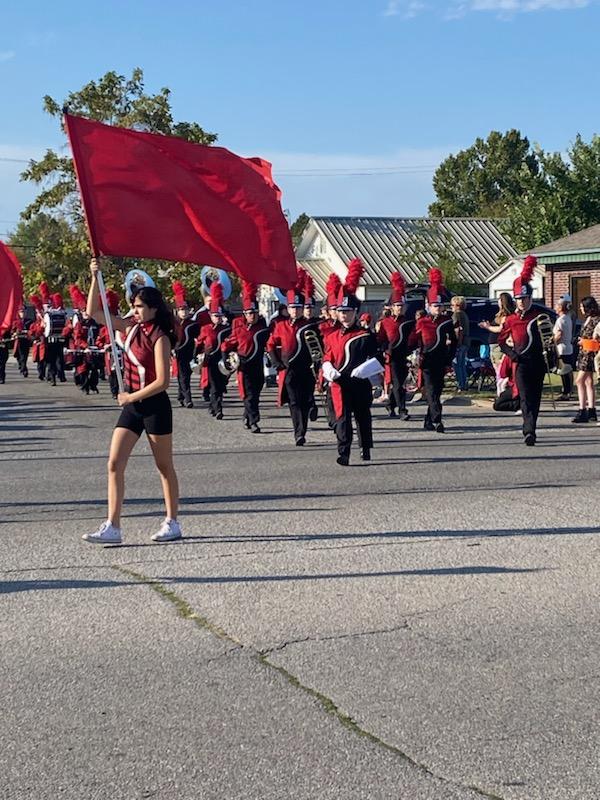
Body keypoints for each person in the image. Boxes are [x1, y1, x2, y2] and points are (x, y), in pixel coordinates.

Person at [82, 258, 182, 544]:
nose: (134, 310)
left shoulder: (160, 336)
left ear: (153, 308)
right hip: (133, 407)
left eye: (139, 306)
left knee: (164, 465)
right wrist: (94, 276)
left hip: (154, 406)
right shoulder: (129, 326)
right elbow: (93, 313)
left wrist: (130, 396)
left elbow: (163, 381)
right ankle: (113, 526)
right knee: (114, 463)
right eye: (133, 305)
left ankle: (172, 521)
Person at [322, 258, 381, 466]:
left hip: (359, 383)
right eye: (341, 312)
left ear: (355, 312)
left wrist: (365, 370)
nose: (344, 316)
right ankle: (344, 452)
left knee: (362, 417)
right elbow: (327, 355)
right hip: (340, 384)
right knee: (342, 418)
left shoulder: (365, 334)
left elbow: (378, 358)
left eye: (347, 312)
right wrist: (327, 368)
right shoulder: (331, 334)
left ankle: (365, 447)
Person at [498, 256, 547, 446]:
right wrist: (512, 355)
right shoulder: (510, 320)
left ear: (530, 298)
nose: (521, 302)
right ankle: (529, 431)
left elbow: (548, 339)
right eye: (518, 299)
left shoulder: (539, 315)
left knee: (535, 398)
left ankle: (531, 425)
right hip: (521, 363)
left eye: (524, 299)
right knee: (526, 397)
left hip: (538, 362)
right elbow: (501, 342)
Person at [267, 281, 321, 446]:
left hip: (306, 369)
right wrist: (277, 363)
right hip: (289, 369)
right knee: (293, 401)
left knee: (305, 401)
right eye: (292, 307)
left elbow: (319, 348)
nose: (295, 310)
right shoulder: (281, 326)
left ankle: (302, 428)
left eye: (298, 307)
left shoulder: (309, 326)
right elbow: (270, 344)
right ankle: (299, 433)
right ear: (288, 309)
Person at [409, 268, 456, 433]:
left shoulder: (446, 321)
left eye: (440, 305)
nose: (438, 308)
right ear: (428, 306)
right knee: (431, 392)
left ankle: (428, 421)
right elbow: (413, 340)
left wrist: (449, 358)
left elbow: (454, 342)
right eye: (435, 305)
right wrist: (409, 353)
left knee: (437, 390)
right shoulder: (422, 322)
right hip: (426, 361)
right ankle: (437, 420)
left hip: (441, 361)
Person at [221, 280, 269, 433]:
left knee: (255, 394)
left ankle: (247, 415)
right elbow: (225, 346)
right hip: (243, 366)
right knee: (248, 395)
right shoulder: (239, 330)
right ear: (244, 314)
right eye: (249, 313)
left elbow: (270, 344)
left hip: (257, 366)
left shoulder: (263, 329)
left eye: (254, 313)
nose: (252, 316)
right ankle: (255, 421)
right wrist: (226, 361)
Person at [377, 271, 414, 421]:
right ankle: (402, 410)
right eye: (397, 305)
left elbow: (414, 337)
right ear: (392, 307)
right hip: (391, 356)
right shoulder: (385, 322)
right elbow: (380, 339)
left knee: (399, 382)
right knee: (398, 384)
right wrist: (384, 349)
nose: (400, 308)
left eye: (402, 305)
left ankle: (391, 404)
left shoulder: (409, 321)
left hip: (405, 355)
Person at [195, 281, 232, 419]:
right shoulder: (206, 329)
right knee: (214, 385)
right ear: (211, 316)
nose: (218, 318)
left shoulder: (226, 329)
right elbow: (199, 344)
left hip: (223, 360)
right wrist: (195, 357)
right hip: (210, 360)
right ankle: (218, 409)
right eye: (215, 316)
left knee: (221, 385)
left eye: (219, 316)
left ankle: (213, 405)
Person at [572, 295, 600, 423]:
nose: (581, 308)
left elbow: (595, 338)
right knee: (588, 381)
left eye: (582, 306)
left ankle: (582, 410)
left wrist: (583, 341)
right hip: (584, 352)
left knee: (579, 381)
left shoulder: (596, 320)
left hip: (590, 353)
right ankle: (591, 410)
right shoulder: (588, 319)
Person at [478, 292, 516, 371]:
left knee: (500, 371)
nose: (498, 301)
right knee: (497, 369)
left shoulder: (506, 316)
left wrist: (487, 326)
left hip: (498, 346)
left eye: (499, 299)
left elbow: (501, 329)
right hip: (494, 346)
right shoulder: (499, 315)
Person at [553, 298, 574, 401]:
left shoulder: (560, 320)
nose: (555, 307)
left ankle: (565, 392)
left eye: (557, 305)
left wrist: (552, 342)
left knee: (563, 372)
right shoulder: (568, 318)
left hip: (562, 348)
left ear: (561, 307)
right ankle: (568, 390)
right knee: (568, 371)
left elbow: (559, 334)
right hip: (568, 348)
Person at [451, 295, 470, 391]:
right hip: (466, 341)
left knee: (456, 364)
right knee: (462, 364)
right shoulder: (464, 314)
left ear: (457, 305)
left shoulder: (456, 315)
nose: (451, 307)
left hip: (460, 342)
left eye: (452, 305)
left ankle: (460, 384)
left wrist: (457, 342)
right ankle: (464, 383)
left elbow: (458, 330)